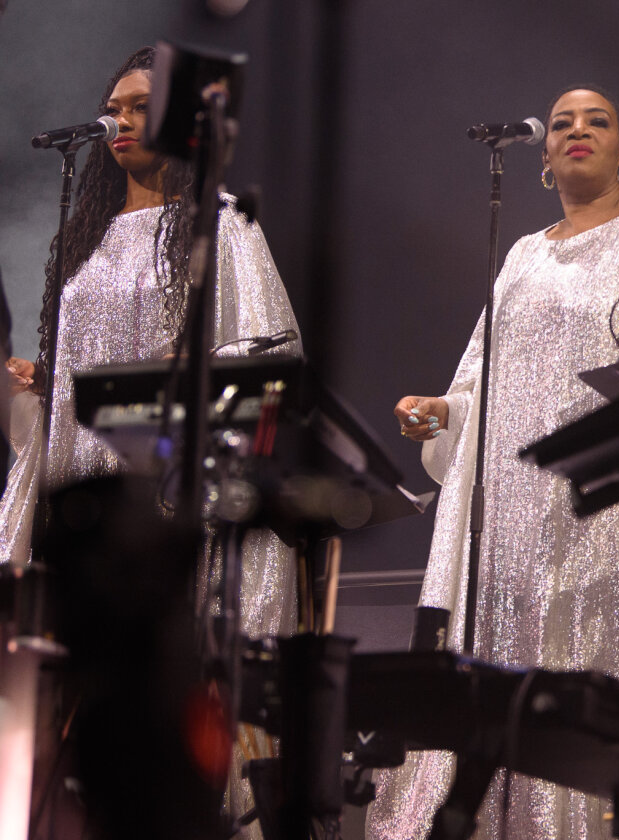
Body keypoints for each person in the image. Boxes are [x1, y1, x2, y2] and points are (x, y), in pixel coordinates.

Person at [369, 86, 619, 840]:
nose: (576, 130)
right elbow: (484, 371)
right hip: (508, 504)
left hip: (605, 500)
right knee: (503, 666)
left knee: (583, 666)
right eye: (561, 123)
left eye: (596, 121)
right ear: (540, 158)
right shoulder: (524, 252)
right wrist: (445, 410)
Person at [0, 46, 301, 830]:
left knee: (163, 685)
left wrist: (190, 367)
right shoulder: (86, 236)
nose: (122, 122)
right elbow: (79, 370)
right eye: (117, 107)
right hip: (85, 486)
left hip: (169, 489)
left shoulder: (221, 222)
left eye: (142, 107)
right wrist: (45, 381)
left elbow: (271, 355)